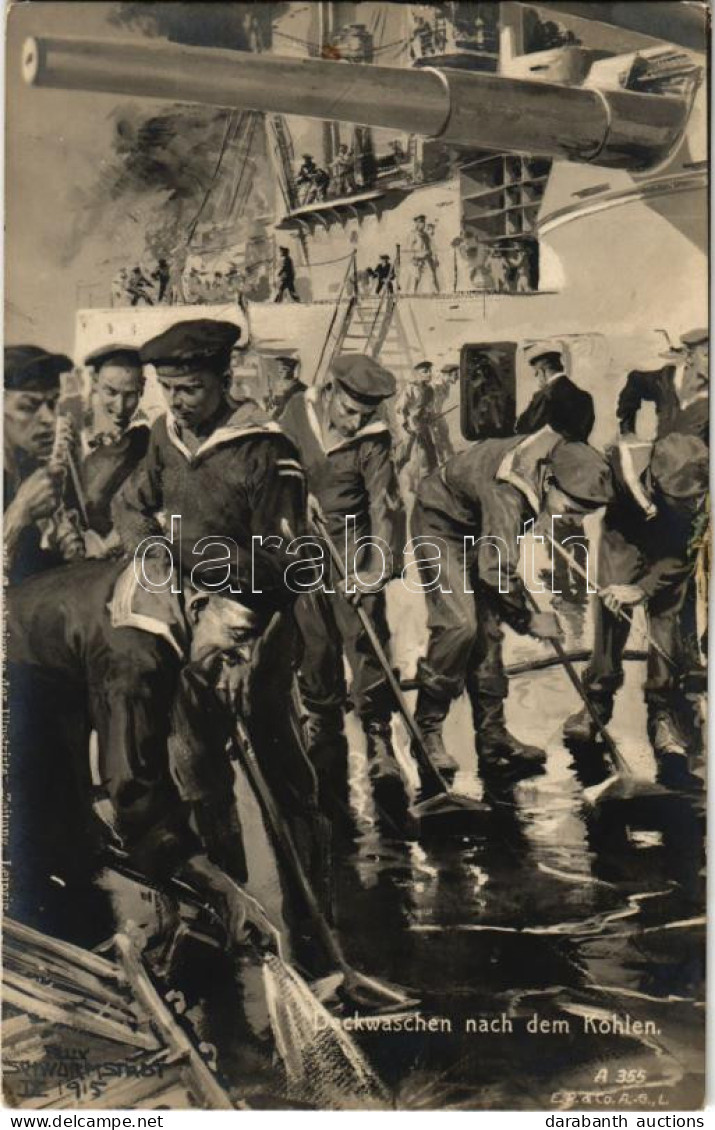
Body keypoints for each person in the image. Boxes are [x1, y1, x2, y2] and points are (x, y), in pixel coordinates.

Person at [111, 319, 325, 902]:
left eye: (191, 389)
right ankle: (233, 907)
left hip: (258, 626)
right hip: (191, 628)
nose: (177, 403)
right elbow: (130, 505)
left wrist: (231, 622)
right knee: (197, 771)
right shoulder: (165, 435)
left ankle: (314, 910)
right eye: (168, 389)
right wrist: (159, 561)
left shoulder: (266, 450)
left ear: (224, 378)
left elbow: (286, 566)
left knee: (282, 770)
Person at [6, 553, 279, 953]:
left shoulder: (163, 588)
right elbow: (135, 784)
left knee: (74, 839)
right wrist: (216, 883)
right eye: (239, 636)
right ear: (198, 605)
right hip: (15, 676)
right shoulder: (137, 653)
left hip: (41, 676)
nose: (246, 656)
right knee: (46, 862)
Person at [411, 428, 614, 787]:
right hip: (440, 523)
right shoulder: (510, 492)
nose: (573, 521)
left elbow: (496, 562)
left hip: (477, 523)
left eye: (583, 515)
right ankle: (426, 731)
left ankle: (492, 739)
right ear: (549, 481)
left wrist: (514, 605)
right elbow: (496, 572)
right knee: (460, 626)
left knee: (488, 632)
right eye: (570, 510)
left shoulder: (561, 460)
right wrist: (528, 619)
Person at [279, 353, 408, 828]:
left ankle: (379, 739)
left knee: (365, 633)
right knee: (314, 640)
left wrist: (377, 564)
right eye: (350, 411)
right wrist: (295, 494)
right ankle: (323, 734)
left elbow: (385, 504)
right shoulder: (294, 415)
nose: (356, 422)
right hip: (302, 541)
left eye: (365, 414)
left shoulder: (373, 441)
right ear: (330, 392)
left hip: (353, 540)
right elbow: (273, 469)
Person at [563, 433, 708, 785]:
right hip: (622, 535)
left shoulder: (699, 502)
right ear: (655, 482)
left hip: (673, 545)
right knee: (611, 605)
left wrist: (642, 588)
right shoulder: (618, 463)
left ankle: (663, 713)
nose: (691, 503)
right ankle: (597, 698)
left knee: (666, 618)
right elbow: (578, 491)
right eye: (680, 499)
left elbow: (684, 557)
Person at [4, 345, 84, 584]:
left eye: (52, 403)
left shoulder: (28, 467)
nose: (49, 419)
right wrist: (19, 513)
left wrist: (61, 548)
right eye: (29, 407)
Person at [81, 344, 150, 543]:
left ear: (142, 387)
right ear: (94, 382)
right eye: (111, 392)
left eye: (130, 395)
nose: (120, 407)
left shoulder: (144, 442)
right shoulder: (71, 439)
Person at [617, 328, 708, 445]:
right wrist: (627, 431)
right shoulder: (665, 379)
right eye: (707, 355)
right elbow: (635, 383)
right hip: (658, 459)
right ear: (689, 356)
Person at [516, 345, 595, 442]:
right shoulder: (585, 397)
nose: (536, 377)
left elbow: (523, 428)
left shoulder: (545, 395)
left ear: (542, 371)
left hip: (550, 453)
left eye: (536, 372)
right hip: (580, 452)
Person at [396, 360, 439, 490]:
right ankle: (396, 476)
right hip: (409, 427)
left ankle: (429, 481)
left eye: (430, 371)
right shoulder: (410, 388)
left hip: (423, 426)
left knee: (429, 452)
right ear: (417, 374)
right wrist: (406, 425)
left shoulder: (430, 390)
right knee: (406, 453)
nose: (429, 374)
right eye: (425, 371)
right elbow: (399, 408)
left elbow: (429, 408)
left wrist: (429, 417)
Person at [263, 352, 307, 418]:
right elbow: (283, 400)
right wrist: (273, 401)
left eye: (284, 369)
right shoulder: (284, 385)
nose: (280, 371)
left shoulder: (298, 388)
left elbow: (284, 405)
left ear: (292, 371)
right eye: (279, 368)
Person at [432, 362, 460, 463]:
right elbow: (432, 405)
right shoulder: (435, 387)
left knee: (445, 433)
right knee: (436, 440)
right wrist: (434, 420)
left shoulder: (446, 386)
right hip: (432, 417)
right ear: (447, 374)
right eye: (455, 375)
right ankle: (441, 462)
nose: (457, 378)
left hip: (438, 415)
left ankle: (451, 458)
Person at [408, 215, 440, 293]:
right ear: (416, 223)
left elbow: (432, 246)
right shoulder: (413, 234)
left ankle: (438, 292)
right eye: (421, 222)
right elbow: (410, 247)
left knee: (432, 275)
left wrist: (435, 258)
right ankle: (413, 292)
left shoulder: (426, 235)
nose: (423, 224)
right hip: (418, 259)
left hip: (427, 258)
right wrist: (413, 257)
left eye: (423, 222)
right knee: (416, 277)